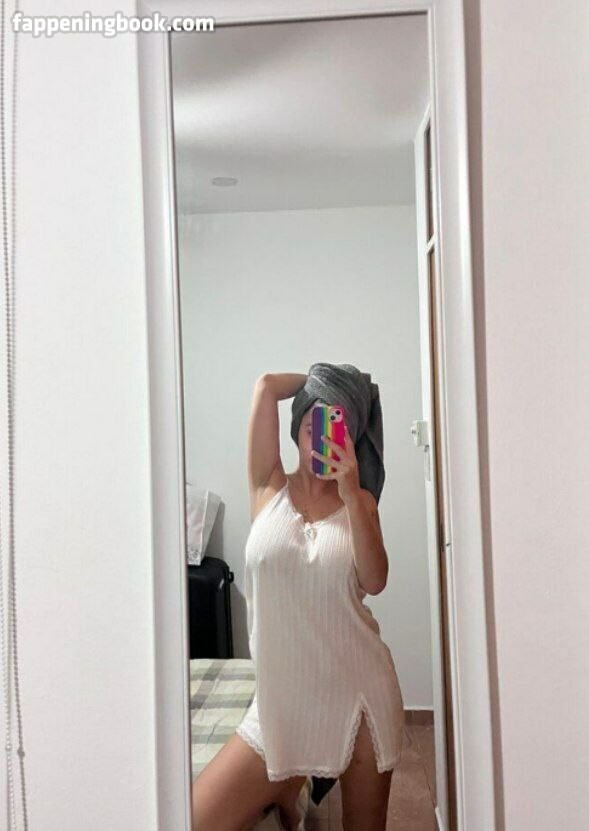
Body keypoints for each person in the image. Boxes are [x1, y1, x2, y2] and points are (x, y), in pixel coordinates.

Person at [191, 367, 404, 830]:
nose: (320, 439)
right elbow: (267, 385)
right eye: (313, 425)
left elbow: (375, 580)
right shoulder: (267, 485)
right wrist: (321, 379)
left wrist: (351, 492)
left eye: (337, 427)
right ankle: (288, 783)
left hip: (360, 696)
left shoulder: (362, 504)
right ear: (297, 429)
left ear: (352, 437)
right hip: (279, 708)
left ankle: (291, 786)